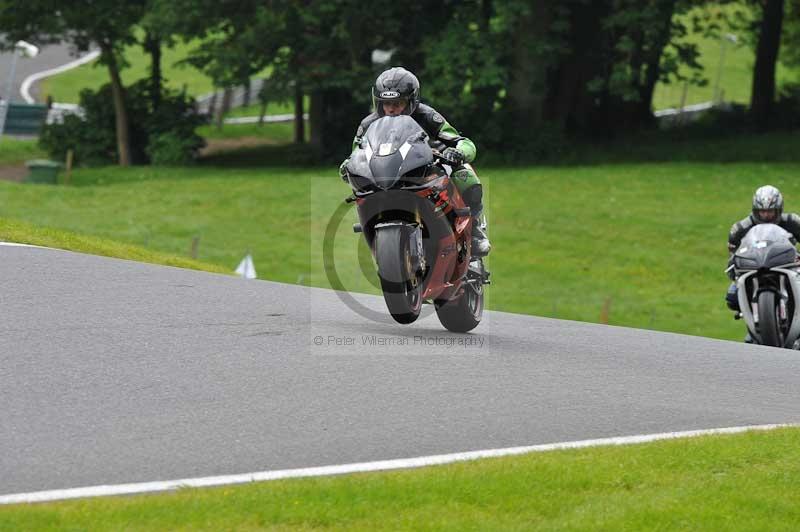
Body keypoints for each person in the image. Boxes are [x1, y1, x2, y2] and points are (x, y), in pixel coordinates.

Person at [340, 67, 491, 256]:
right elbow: (356, 153)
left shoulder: (427, 115)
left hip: (427, 167)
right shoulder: (368, 124)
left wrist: (459, 153)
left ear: (412, 101)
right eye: (386, 103)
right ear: (378, 102)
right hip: (387, 173)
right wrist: (348, 166)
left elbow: (462, 142)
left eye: (398, 102)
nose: (391, 109)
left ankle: (476, 231)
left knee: (466, 176)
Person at [725, 185, 800, 311]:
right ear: (755, 210)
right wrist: (733, 266)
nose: (766, 216)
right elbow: (733, 254)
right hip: (755, 266)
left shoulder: (793, 222)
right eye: (762, 211)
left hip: (786, 265)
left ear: (779, 210)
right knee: (732, 298)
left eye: (770, 212)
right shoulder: (740, 229)